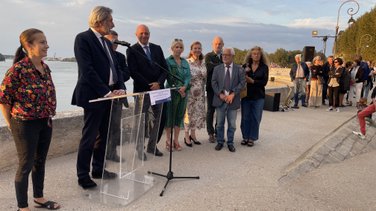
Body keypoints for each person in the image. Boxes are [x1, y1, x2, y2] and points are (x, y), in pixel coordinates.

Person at [0, 28, 60, 210]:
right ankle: (22, 206)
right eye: (42, 42)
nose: (46, 45)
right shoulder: (17, 70)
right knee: (25, 165)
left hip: (45, 121)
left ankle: (39, 197)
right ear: (28, 46)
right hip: (24, 124)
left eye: (46, 41)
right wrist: (12, 124)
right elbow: (3, 99)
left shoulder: (45, 67)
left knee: (40, 161)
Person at [72, 6, 126, 189]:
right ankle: (82, 175)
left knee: (104, 135)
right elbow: (87, 70)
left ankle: (98, 169)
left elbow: (115, 68)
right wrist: (105, 91)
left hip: (109, 96)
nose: (113, 24)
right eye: (110, 20)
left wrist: (119, 88)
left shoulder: (106, 41)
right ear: (99, 21)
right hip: (94, 96)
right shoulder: (83, 39)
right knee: (90, 137)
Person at [126, 24, 167, 159]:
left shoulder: (157, 48)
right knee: (140, 120)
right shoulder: (132, 50)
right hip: (142, 91)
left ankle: (152, 145)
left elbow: (164, 69)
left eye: (147, 33)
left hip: (158, 90)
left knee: (159, 119)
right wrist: (150, 85)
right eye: (142, 33)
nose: (144, 35)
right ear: (136, 34)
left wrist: (159, 83)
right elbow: (134, 72)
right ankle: (139, 149)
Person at [103, 29, 130, 162]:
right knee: (102, 129)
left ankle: (112, 153)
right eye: (112, 41)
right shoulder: (101, 55)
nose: (115, 44)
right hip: (104, 95)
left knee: (115, 127)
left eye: (116, 42)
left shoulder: (120, 56)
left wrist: (117, 76)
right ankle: (100, 156)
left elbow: (126, 74)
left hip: (118, 95)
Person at [211, 47, 245, 152]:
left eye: (227, 55)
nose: (224, 56)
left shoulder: (239, 69)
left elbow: (242, 83)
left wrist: (233, 94)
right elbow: (213, 82)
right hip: (220, 100)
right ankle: (220, 142)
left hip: (232, 100)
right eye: (223, 54)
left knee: (232, 124)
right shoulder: (217, 69)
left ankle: (230, 143)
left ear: (232, 56)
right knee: (219, 123)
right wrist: (219, 94)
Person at [164, 39, 191, 151]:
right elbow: (169, 77)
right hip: (172, 92)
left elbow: (188, 76)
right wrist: (178, 88)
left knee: (179, 117)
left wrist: (184, 87)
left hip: (183, 94)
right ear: (172, 48)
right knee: (170, 117)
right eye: (176, 47)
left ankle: (176, 140)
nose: (178, 49)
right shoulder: (168, 61)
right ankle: (168, 141)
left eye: (180, 47)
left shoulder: (185, 62)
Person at [240, 46, 269, 147]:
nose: (256, 55)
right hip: (246, 96)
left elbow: (264, 82)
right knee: (245, 118)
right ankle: (245, 137)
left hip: (258, 97)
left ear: (261, 56)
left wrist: (253, 81)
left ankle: (252, 138)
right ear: (251, 55)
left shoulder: (264, 67)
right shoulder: (245, 66)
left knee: (256, 118)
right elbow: (239, 80)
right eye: (254, 54)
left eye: (258, 54)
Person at [184, 41, 206, 147]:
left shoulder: (203, 62)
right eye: (195, 48)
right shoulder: (187, 62)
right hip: (190, 93)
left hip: (200, 93)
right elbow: (185, 78)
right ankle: (186, 136)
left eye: (199, 48)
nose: (197, 50)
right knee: (188, 114)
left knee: (197, 114)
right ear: (191, 50)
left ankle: (193, 134)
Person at [205, 36, 224, 143]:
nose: (218, 45)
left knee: (220, 111)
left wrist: (217, 65)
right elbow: (209, 67)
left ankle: (218, 131)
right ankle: (210, 133)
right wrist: (222, 65)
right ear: (213, 45)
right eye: (216, 43)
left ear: (223, 45)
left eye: (220, 43)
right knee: (210, 111)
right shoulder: (208, 56)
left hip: (222, 89)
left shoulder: (224, 56)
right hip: (211, 88)